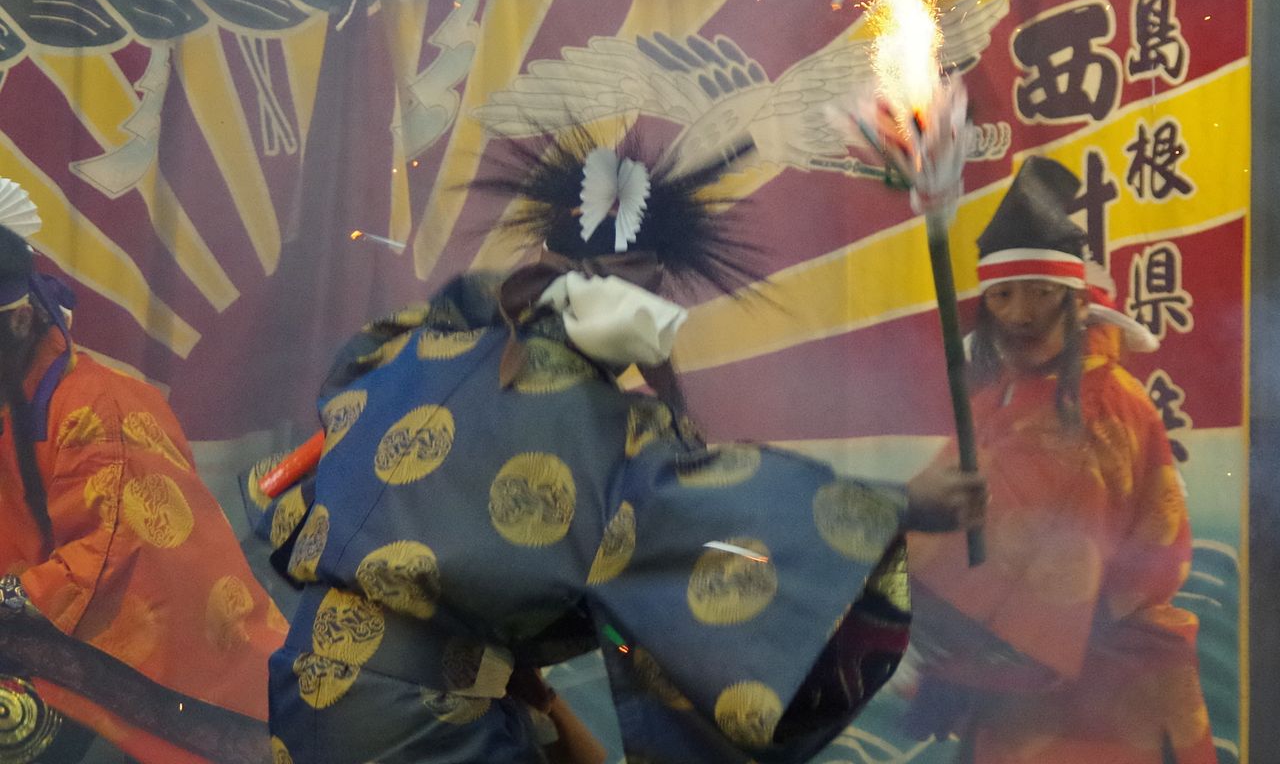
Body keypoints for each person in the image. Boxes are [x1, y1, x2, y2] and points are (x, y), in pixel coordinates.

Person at [259, 129, 986, 763]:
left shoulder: (421, 341)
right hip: (415, 718)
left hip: (306, 682)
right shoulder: (611, 431)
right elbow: (719, 508)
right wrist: (902, 503)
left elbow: (346, 418)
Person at [903, 156, 1215, 763]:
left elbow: (1053, 551)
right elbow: (938, 512)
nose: (1020, 314)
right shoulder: (999, 400)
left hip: (1097, 697)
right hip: (1019, 683)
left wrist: (950, 651)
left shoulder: (1099, 407)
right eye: (1003, 295)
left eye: (1041, 292)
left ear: (1077, 302)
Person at [0, 223, 285, 763]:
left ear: (18, 319)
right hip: (36, 628)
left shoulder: (98, 412)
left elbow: (107, 560)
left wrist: (7, 599)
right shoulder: (15, 393)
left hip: (156, 653)